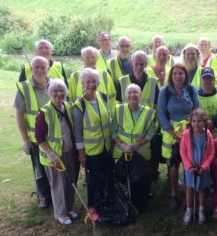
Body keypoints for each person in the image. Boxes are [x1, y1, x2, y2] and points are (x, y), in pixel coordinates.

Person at [35, 79, 78, 225]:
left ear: (66, 92)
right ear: (49, 93)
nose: (59, 93)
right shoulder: (45, 112)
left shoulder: (68, 106)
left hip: (68, 152)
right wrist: (50, 153)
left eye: (61, 90)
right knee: (58, 185)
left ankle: (69, 208)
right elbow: (39, 137)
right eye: (55, 91)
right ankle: (60, 213)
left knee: (70, 181)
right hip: (53, 156)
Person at [157, 63, 199, 210]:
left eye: (181, 73)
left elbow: (196, 111)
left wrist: (188, 131)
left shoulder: (191, 89)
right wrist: (173, 134)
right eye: (175, 73)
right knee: (173, 166)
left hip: (189, 132)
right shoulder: (165, 91)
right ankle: (174, 194)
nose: (178, 76)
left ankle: (189, 192)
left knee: (189, 164)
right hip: (171, 135)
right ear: (171, 75)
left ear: (185, 75)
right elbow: (161, 114)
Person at [72, 68, 113, 209]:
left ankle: (104, 201)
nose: (91, 85)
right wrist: (81, 154)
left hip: (106, 148)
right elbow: (77, 132)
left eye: (94, 81)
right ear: (82, 84)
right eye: (88, 82)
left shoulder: (102, 97)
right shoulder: (79, 105)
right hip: (91, 151)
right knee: (93, 180)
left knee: (105, 177)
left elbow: (108, 121)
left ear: (99, 83)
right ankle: (92, 206)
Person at [15, 56, 52, 208]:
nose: (39, 70)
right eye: (36, 67)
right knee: (40, 169)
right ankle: (43, 196)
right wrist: (25, 140)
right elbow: (19, 115)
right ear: (31, 68)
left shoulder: (55, 84)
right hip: (36, 139)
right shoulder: (23, 88)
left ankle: (56, 194)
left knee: (55, 167)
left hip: (55, 137)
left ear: (48, 68)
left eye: (43, 67)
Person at [111, 84, 156, 208]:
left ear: (140, 96)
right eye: (129, 92)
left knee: (141, 179)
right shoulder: (118, 109)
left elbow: (151, 133)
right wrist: (122, 145)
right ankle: (127, 199)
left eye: (135, 92)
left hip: (141, 152)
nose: (132, 95)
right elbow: (113, 131)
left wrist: (136, 145)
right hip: (122, 151)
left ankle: (140, 199)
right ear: (125, 96)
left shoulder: (149, 112)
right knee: (125, 177)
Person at [180, 108, 215, 225]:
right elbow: (183, 151)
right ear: (190, 121)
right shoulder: (186, 134)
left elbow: (211, 153)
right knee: (189, 188)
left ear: (204, 122)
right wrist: (188, 166)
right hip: (190, 168)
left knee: (201, 189)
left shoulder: (208, 134)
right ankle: (189, 210)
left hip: (202, 168)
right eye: (194, 121)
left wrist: (204, 167)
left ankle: (201, 210)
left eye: (199, 121)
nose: (196, 124)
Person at [68, 46, 118, 114]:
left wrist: (111, 114)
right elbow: (71, 99)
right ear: (82, 59)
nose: (90, 60)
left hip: (103, 114)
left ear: (97, 58)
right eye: (87, 58)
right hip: (82, 114)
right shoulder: (74, 76)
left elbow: (112, 97)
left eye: (93, 57)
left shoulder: (105, 75)